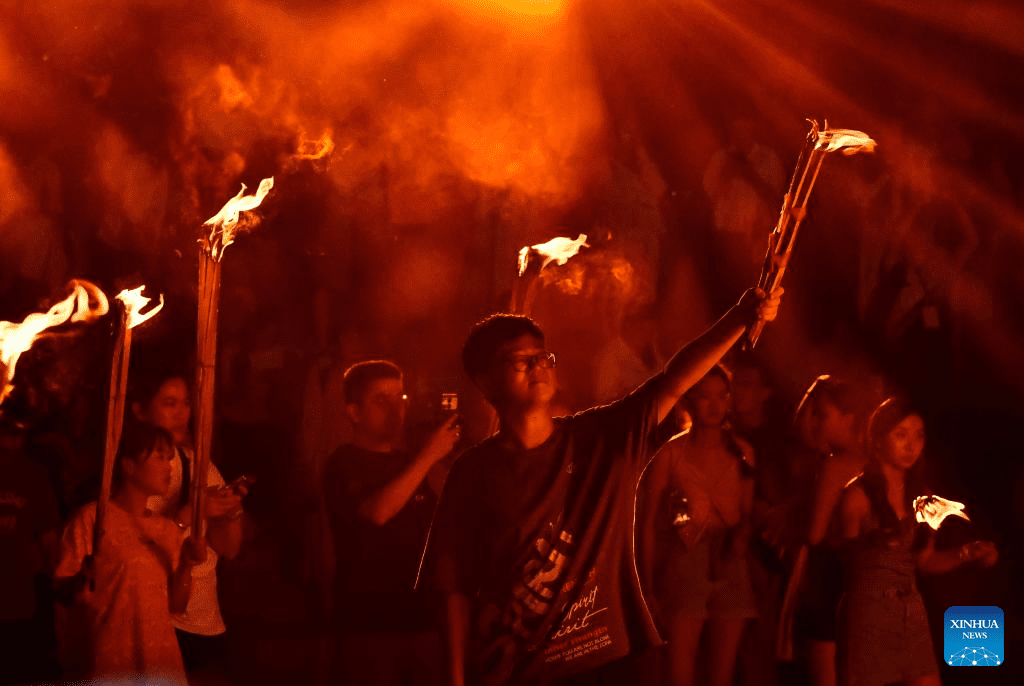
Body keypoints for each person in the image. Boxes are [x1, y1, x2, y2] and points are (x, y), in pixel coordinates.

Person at [423, 285, 783, 686]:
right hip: (518, 672)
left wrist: (740, 314)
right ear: (485, 382)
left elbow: (673, 381)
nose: (537, 365)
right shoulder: (472, 472)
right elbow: (453, 588)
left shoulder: (601, 437)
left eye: (542, 355)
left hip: (607, 663)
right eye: (518, 360)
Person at [836, 397, 998, 686]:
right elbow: (841, 564)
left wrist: (966, 553)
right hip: (869, 614)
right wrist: (875, 544)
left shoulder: (923, 499)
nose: (911, 445)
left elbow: (923, 561)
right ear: (877, 439)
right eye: (901, 434)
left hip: (911, 612)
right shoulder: (857, 496)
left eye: (918, 435)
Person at [322, 360, 457, 686]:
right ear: (354, 412)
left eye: (400, 397)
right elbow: (377, 512)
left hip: (423, 622)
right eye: (382, 399)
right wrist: (427, 457)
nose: (396, 408)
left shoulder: (417, 461)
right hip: (369, 628)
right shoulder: (343, 463)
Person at [53, 421, 205, 685]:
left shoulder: (166, 530)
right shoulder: (93, 519)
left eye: (169, 458)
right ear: (128, 465)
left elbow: (176, 606)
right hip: (109, 661)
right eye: (159, 457)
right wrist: (84, 577)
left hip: (158, 662)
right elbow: (64, 592)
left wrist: (187, 565)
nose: (168, 466)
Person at [640, 365, 757, 686]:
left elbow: (748, 513)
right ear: (688, 400)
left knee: (722, 675)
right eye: (705, 396)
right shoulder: (670, 454)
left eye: (722, 395)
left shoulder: (743, 452)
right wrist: (646, 587)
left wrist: (740, 539)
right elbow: (648, 523)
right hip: (685, 561)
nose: (714, 405)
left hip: (729, 563)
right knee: (680, 673)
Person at [130, 370, 246, 679]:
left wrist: (230, 511)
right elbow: (133, 551)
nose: (181, 413)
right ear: (139, 410)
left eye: (185, 403)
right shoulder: (126, 472)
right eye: (169, 403)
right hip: (157, 623)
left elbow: (229, 549)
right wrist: (189, 513)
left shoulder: (198, 463)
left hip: (205, 620)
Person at [779, 376, 872, 686]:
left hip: (828, 580)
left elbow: (815, 536)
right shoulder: (877, 461)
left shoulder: (836, 467)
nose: (816, 422)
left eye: (823, 414)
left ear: (848, 418)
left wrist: (789, 520)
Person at [0, 409, 61, 685]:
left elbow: (48, 535)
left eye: (17, 431)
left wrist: (56, 580)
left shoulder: (33, 475)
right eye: (6, 430)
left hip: (20, 593)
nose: (11, 438)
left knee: (18, 667)